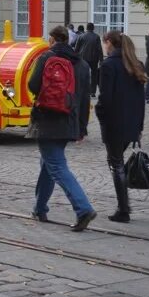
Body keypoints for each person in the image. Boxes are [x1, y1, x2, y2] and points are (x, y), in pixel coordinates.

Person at [27, 25, 97, 232]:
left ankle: (83, 208)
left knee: (56, 165)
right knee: (48, 164)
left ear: (52, 39)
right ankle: (39, 208)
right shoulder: (82, 64)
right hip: (70, 121)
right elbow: (85, 98)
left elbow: (32, 85)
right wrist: (82, 128)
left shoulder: (47, 58)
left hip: (48, 119)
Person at [95, 31, 147, 223]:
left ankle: (123, 209)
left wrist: (100, 114)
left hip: (114, 122)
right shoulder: (135, 65)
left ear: (109, 43)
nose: (104, 47)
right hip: (131, 123)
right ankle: (123, 206)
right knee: (118, 163)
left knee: (116, 164)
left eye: (105, 43)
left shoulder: (109, 65)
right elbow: (141, 101)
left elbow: (105, 98)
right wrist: (139, 125)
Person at [74, 22, 103, 97]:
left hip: (83, 58)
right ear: (93, 28)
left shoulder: (81, 36)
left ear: (86, 28)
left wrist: (74, 58)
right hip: (94, 58)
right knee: (94, 75)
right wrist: (101, 60)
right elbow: (99, 49)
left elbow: (76, 48)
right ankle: (93, 92)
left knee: (83, 74)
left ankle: (82, 91)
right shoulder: (96, 37)